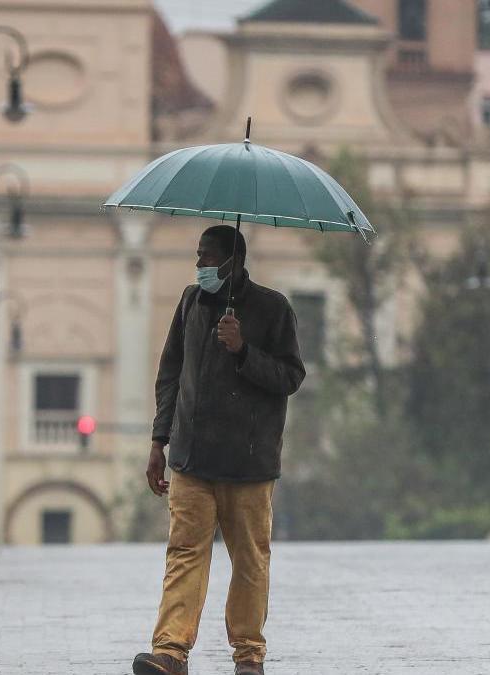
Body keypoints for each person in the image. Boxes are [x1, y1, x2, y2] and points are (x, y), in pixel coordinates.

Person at [133, 224, 306, 675]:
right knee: (185, 551)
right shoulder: (191, 302)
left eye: (207, 257)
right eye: (198, 256)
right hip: (192, 457)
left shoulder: (273, 309)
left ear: (233, 261)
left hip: (248, 463)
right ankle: (171, 649)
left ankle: (249, 654)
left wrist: (243, 350)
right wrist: (159, 440)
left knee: (249, 560)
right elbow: (170, 371)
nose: (199, 265)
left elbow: (290, 377)